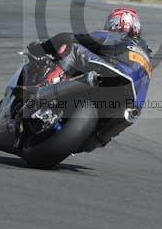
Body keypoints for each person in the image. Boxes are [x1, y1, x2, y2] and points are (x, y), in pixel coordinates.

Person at [26, 8, 151, 149]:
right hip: (129, 101)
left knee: (74, 48)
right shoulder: (146, 57)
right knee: (128, 116)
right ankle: (99, 138)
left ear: (114, 23)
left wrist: (42, 48)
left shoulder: (116, 36)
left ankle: (44, 86)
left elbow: (68, 37)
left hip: (110, 73)